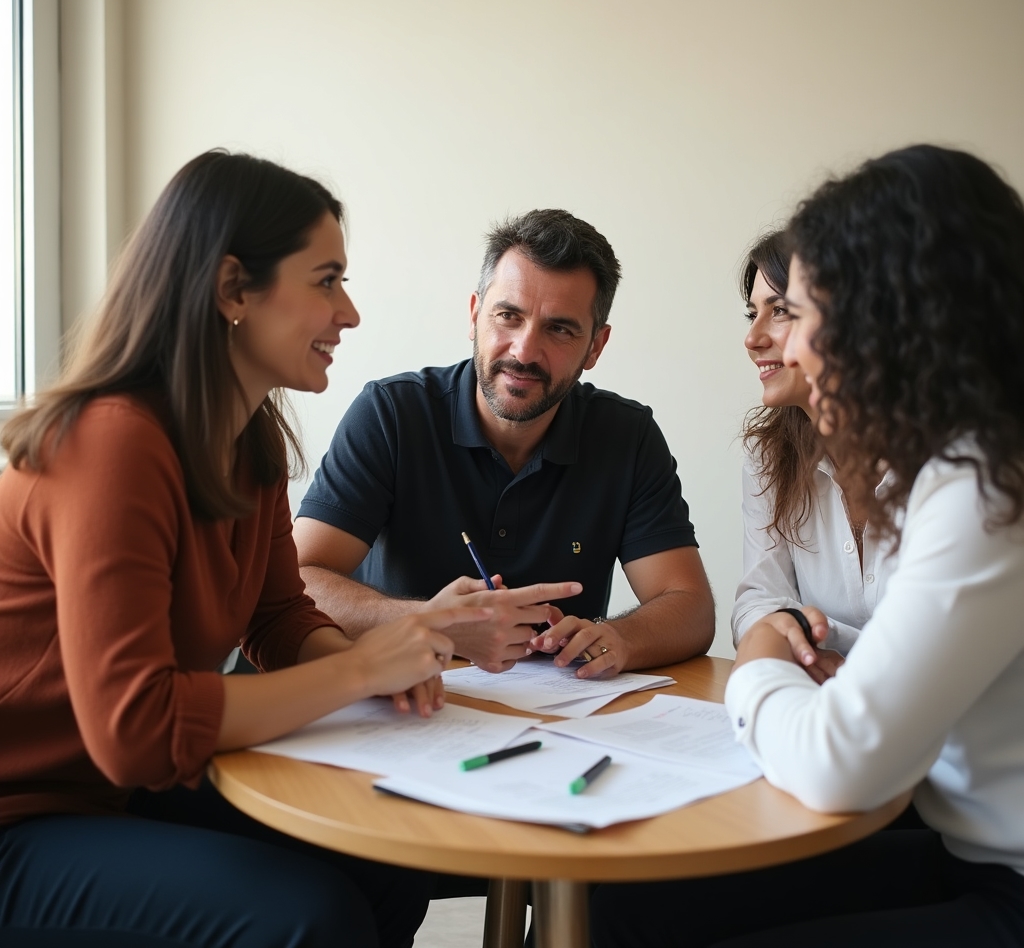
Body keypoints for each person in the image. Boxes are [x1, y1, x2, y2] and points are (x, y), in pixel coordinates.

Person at [0, 150, 580, 948]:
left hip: (108, 790)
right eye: (326, 279)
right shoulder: (112, 444)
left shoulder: (249, 445)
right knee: (308, 917)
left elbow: (276, 618)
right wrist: (360, 668)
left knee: (388, 855)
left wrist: (378, 676)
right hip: (24, 810)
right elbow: (137, 728)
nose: (349, 314)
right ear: (234, 289)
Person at [592, 145, 1024, 946]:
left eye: (804, 311)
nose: (784, 347)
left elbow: (841, 762)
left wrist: (758, 658)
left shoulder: (989, 485)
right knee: (625, 901)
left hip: (1004, 875)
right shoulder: (960, 460)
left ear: (892, 315)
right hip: (956, 835)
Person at [293, 208, 715, 679]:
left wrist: (622, 638)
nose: (524, 351)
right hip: (403, 707)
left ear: (595, 346)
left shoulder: (628, 436)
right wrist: (436, 624)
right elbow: (297, 582)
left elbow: (691, 607)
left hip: (563, 722)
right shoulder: (391, 413)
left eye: (559, 329)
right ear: (475, 315)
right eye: (508, 316)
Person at [732, 231, 899, 683]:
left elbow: (938, 649)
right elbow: (757, 600)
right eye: (753, 313)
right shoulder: (768, 456)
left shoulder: (945, 461)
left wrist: (801, 641)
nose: (752, 337)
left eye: (780, 310)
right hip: (822, 699)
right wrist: (790, 637)